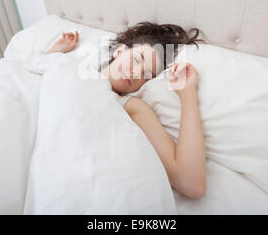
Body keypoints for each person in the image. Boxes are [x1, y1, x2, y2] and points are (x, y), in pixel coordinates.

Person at [46, 22, 207, 199]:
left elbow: (191, 183)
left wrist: (188, 94)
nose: (137, 72)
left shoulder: (132, 106)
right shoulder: (72, 69)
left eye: (147, 74)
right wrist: (54, 54)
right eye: (137, 59)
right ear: (119, 51)